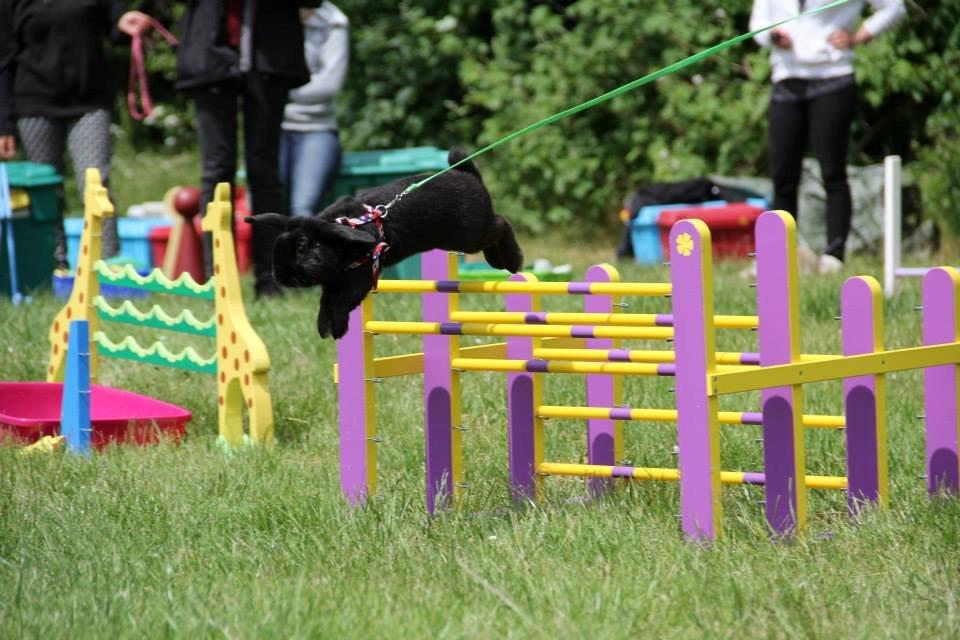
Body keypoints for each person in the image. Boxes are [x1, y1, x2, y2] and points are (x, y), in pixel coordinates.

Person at [175, 0, 321, 298]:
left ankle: (271, 281)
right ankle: (219, 282)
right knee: (217, 171)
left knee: (264, 170)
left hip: (269, 59)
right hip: (210, 57)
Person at [750, 0, 906, 273]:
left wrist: (858, 36)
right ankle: (776, 255)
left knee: (832, 171)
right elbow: (757, 26)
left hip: (834, 77)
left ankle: (834, 254)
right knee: (783, 175)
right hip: (786, 78)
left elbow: (895, 7)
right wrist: (773, 37)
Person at [0, 1, 153, 270]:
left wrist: (125, 21)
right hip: (34, 103)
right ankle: (54, 263)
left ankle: (108, 262)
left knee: (95, 179)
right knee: (46, 190)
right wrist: (4, 124)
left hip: (89, 102)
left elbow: (113, 21)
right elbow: (4, 61)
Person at [280, 2, 349, 219]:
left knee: (302, 209)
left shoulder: (334, 21)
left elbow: (330, 84)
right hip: (272, 126)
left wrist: (277, 93)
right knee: (267, 205)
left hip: (317, 127)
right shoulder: (269, 18)